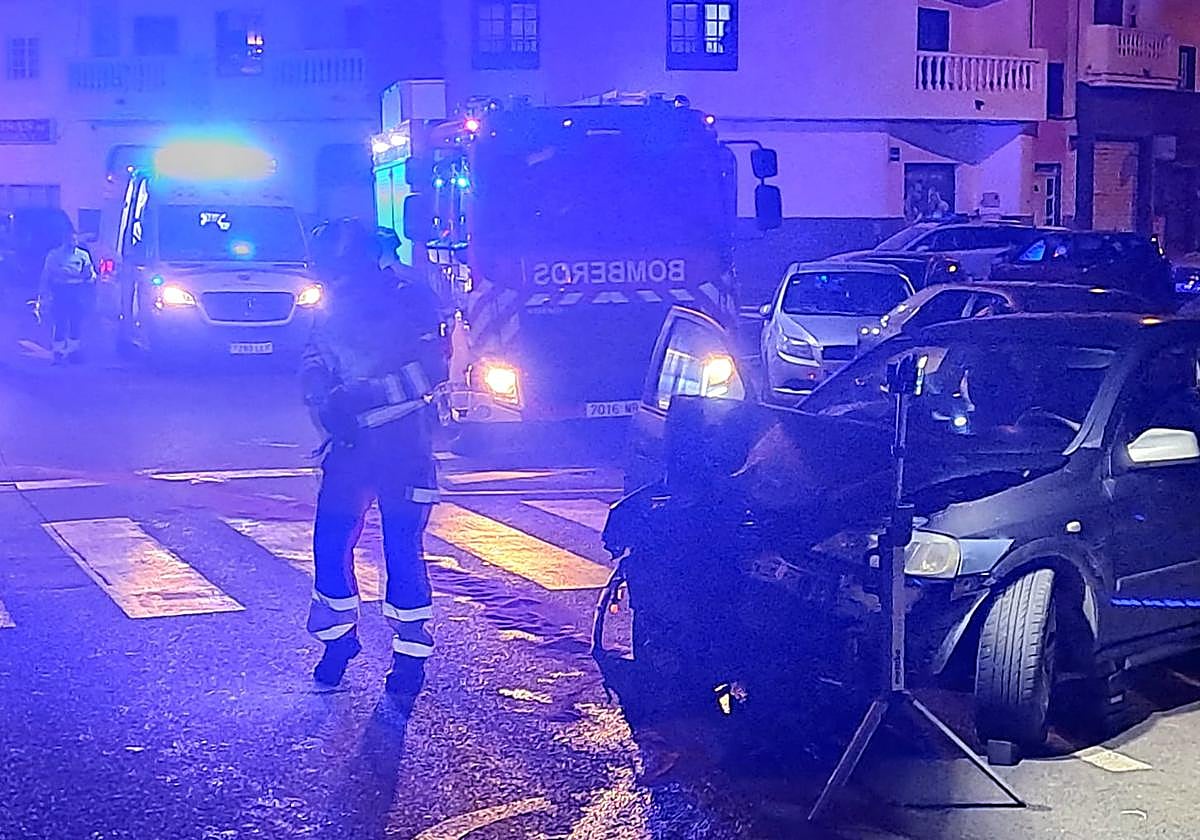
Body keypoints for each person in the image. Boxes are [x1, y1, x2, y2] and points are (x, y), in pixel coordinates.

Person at [301, 219, 449, 710]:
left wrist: (362, 396)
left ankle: (409, 657)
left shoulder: (410, 299)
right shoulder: (330, 303)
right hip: (350, 448)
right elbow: (314, 357)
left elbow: (431, 369)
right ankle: (338, 641)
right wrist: (322, 397)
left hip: (403, 447)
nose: (331, 275)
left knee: (401, 548)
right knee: (330, 543)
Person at [39, 228, 97, 364]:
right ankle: (58, 352)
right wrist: (43, 293)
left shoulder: (83, 255)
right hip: (60, 291)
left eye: (75, 239)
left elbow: (91, 275)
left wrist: (89, 277)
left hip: (77, 291)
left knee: (76, 321)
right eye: (70, 239)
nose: (73, 241)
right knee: (60, 321)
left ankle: (72, 351)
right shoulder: (54, 255)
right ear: (64, 239)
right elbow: (47, 274)